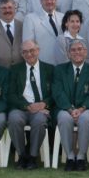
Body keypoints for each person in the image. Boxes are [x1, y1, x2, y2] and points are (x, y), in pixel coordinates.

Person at [7, 40, 54, 169]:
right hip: (21, 108)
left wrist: (44, 104)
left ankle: (32, 157)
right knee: (14, 119)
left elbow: (55, 93)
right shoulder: (15, 69)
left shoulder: (49, 69)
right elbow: (11, 94)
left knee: (39, 121)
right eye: (25, 52)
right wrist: (27, 106)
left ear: (38, 50)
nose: (29, 54)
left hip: (41, 109)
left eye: (32, 50)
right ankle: (22, 156)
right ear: (21, 54)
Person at [52, 39, 89, 171]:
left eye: (80, 49)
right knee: (64, 119)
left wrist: (81, 109)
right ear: (68, 53)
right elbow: (58, 92)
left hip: (85, 108)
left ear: (86, 52)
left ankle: (81, 157)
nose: (77, 52)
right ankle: (70, 156)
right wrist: (70, 109)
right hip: (65, 108)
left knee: (86, 119)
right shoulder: (59, 70)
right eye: (73, 50)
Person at [22, 0, 66, 64]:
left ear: (56, 0)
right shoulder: (30, 18)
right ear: (40, 1)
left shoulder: (63, 17)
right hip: (43, 64)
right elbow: (28, 45)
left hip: (62, 63)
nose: (49, 1)